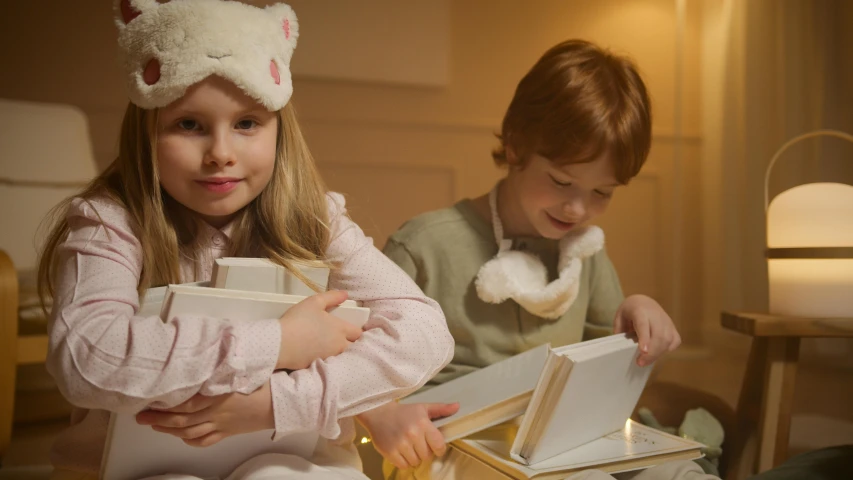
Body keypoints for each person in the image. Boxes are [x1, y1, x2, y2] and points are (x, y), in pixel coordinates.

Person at [37, 1, 453, 479]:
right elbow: (85, 355)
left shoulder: (314, 218)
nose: (220, 153)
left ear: (279, 130)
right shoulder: (111, 221)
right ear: (146, 133)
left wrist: (277, 405)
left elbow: (424, 333)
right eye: (188, 124)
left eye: (246, 124)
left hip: (291, 458)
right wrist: (276, 344)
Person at [356, 39, 706, 480]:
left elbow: (612, 364)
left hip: (566, 434)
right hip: (449, 443)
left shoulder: (583, 252)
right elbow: (352, 356)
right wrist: (382, 415)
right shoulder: (425, 245)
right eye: (561, 182)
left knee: (679, 473)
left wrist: (637, 315)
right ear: (517, 147)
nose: (577, 210)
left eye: (602, 192)